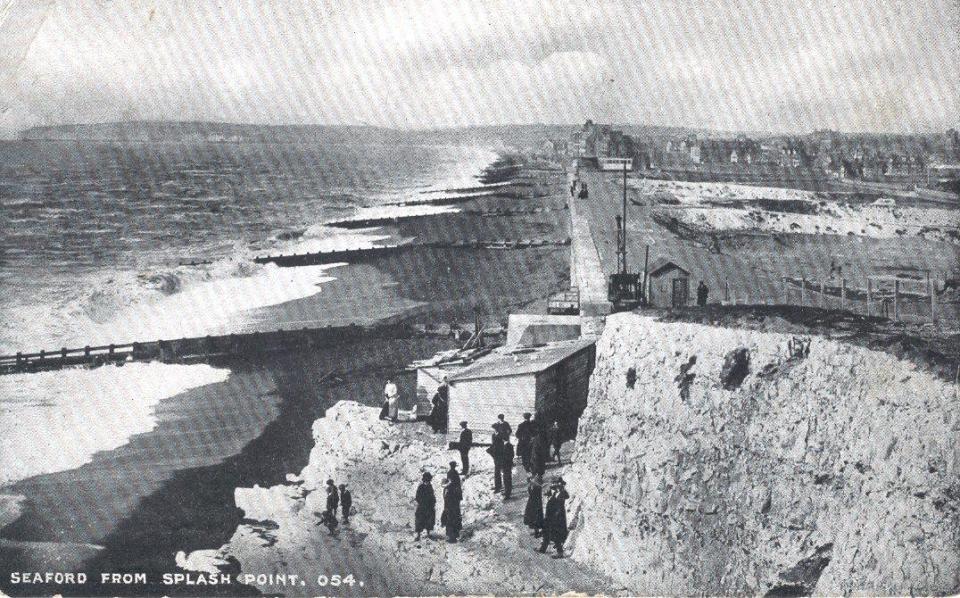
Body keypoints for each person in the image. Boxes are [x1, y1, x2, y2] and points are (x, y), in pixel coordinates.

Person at [538, 478, 569, 558]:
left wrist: (554, 516)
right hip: (550, 516)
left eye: (556, 483)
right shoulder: (555, 492)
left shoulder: (562, 493)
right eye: (554, 483)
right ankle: (543, 549)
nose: (553, 485)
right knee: (547, 532)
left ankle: (560, 552)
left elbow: (559, 507)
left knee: (556, 535)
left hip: (557, 518)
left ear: (560, 485)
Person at [413, 472, 436, 541]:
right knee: (419, 521)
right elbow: (417, 497)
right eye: (426, 480)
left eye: (428, 480)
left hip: (429, 507)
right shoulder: (420, 487)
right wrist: (422, 502)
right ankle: (418, 535)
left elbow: (432, 495)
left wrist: (433, 501)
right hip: (422, 507)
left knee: (429, 520)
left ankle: (428, 533)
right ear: (424, 480)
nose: (427, 482)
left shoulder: (430, 486)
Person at [441, 475, 462, 543]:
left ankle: (452, 538)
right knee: (451, 522)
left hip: (452, 509)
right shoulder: (447, 489)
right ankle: (453, 537)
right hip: (450, 508)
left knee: (451, 523)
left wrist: (448, 508)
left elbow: (453, 499)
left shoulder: (451, 489)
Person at [487, 429, 505, 493]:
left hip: (500, 456)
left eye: (496, 429)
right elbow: (493, 444)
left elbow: (501, 446)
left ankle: (499, 487)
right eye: (494, 429)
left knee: (498, 472)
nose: (495, 430)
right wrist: (490, 450)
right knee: (497, 472)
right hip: (495, 456)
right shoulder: (493, 435)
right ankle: (498, 486)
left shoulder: (501, 435)